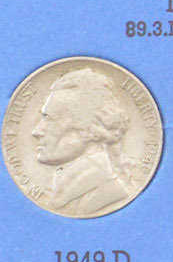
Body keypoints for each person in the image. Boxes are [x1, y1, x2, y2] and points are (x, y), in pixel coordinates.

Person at [31, 65, 133, 216]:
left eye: (49, 119)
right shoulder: (68, 190)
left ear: (88, 127)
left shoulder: (108, 194)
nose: (36, 131)